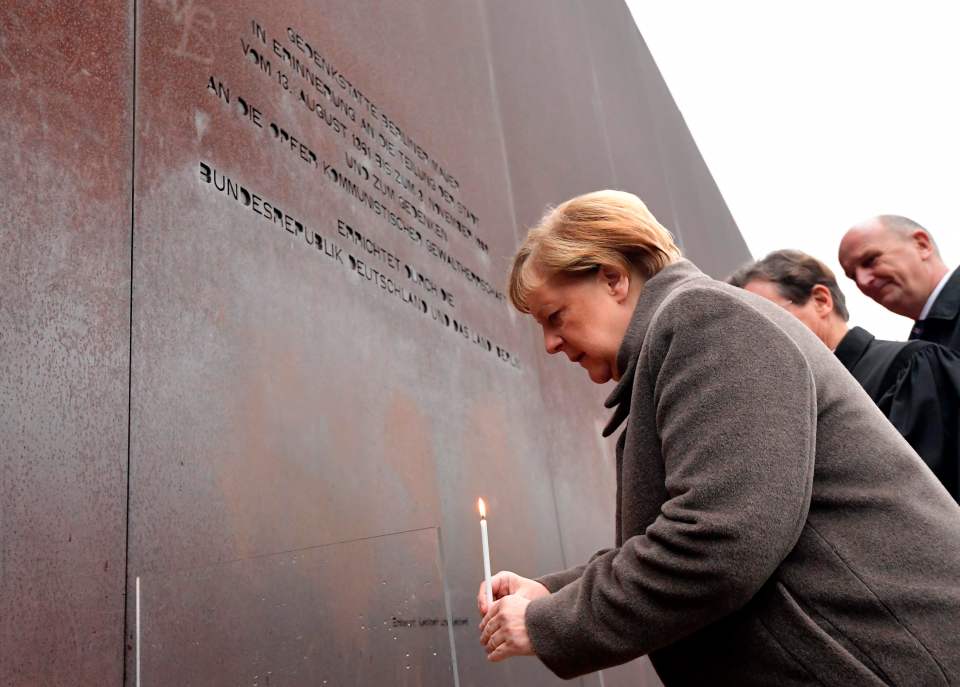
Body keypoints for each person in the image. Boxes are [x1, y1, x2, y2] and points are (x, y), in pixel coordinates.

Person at [477, 191, 960, 686]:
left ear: (613, 278)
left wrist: (549, 622)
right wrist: (549, 594)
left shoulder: (706, 321)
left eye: (555, 317)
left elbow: (718, 540)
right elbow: (690, 536)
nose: (551, 344)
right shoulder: (685, 338)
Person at [728, 249, 960, 501]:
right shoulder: (789, 408)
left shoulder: (910, 366)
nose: (757, 341)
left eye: (767, 319)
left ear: (820, 300)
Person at [839, 215, 960, 351]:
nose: (863, 281)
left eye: (870, 260)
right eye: (853, 277)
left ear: (922, 245)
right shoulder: (920, 344)